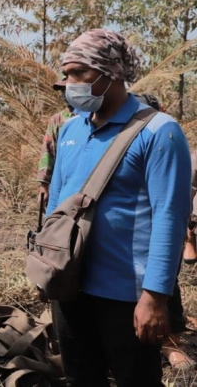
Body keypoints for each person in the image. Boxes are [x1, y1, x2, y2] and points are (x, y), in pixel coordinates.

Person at [47, 29, 191, 387]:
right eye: (66, 74)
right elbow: (56, 202)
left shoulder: (159, 132)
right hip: (71, 286)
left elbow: (170, 219)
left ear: (109, 73)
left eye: (77, 73)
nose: (68, 83)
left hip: (127, 296)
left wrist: (156, 298)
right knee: (82, 378)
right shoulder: (70, 130)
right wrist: (47, 264)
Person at [36, 79, 74, 207]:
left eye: (68, 89)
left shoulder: (94, 116)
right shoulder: (58, 120)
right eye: (63, 91)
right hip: (62, 184)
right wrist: (43, 187)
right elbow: (48, 152)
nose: (65, 94)